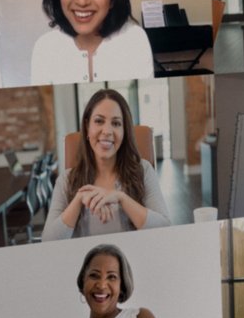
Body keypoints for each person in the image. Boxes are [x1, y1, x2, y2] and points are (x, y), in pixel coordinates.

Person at [42, 89, 171, 239]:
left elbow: (165, 228)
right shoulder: (67, 179)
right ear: (86, 127)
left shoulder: (143, 170)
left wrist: (121, 198)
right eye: (99, 121)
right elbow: (48, 240)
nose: (107, 131)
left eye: (116, 123)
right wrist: (78, 200)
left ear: (124, 131)